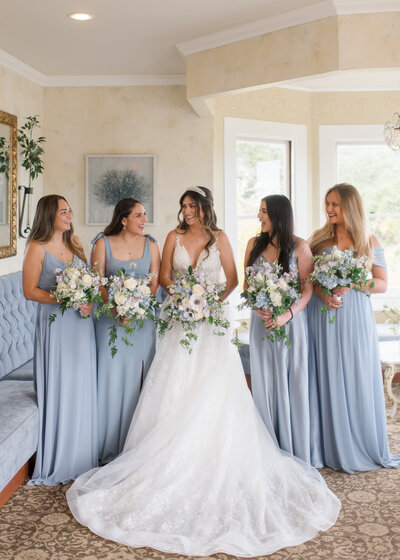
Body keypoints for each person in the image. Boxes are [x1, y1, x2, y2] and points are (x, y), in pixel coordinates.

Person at [67, 187, 340, 557]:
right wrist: (182, 297)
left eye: (192, 205)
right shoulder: (172, 237)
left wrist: (207, 302)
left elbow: (231, 280)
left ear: (204, 208)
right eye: (183, 206)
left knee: (216, 391)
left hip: (211, 325)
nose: (186, 211)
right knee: (173, 388)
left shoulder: (222, 238)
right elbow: (162, 277)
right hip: (180, 320)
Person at [308, 183, 399, 474]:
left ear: (350, 207)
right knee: (329, 373)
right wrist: (325, 293)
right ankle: (331, 445)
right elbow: (308, 280)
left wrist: (351, 282)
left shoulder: (367, 241)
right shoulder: (319, 240)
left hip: (357, 317)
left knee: (357, 373)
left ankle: (360, 442)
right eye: (327, 203)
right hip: (325, 315)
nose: (330, 209)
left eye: (335, 204)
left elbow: (382, 284)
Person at [23, 194, 97, 485]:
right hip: (56, 326)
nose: (69, 215)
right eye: (63, 211)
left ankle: (81, 458)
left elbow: (88, 284)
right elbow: (30, 292)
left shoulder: (75, 245)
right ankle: (59, 459)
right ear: (49, 216)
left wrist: (87, 301)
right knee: (61, 386)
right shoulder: (37, 248)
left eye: (69, 210)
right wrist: (66, 297)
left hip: (81, 326)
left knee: (81, 385)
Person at [244, 195, 314, 463]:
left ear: (278, 215)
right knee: (263, 382)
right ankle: (267, 448)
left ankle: (293, 446)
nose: (259, 216)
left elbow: (307, 288)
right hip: (261, 324)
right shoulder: (253, 244)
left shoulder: (299, 246)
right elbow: (248, 286)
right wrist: (257, 307)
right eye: (260, 211)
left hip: (291, 325)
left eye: (264, 212)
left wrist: (287, 314)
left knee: (291, 381)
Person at [91, 198, 160, 463]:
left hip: (142, 323)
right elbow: (97, 283)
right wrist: (115, 310)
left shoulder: (151, 244)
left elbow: (153, 285)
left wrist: (134, 308)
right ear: (123, 219)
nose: (144, 220)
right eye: (139, 215)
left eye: (145, 215)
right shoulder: (102, 243)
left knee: (139, 383)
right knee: (110, 381)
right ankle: (106, 448)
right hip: (109, 323)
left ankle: (133, 449)